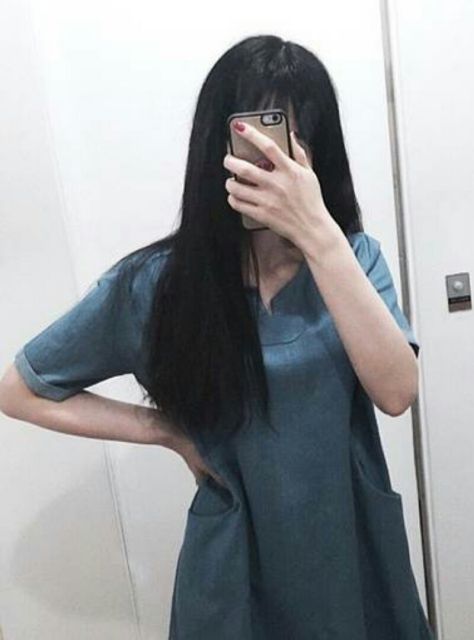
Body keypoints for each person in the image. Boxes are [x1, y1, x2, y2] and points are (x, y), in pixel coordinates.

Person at [0, 35, 433, 640]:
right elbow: (20, 390)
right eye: (252, 137)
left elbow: (397, 392)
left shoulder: (353, 260)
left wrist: (319, 234)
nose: (271, 160)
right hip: (233, 564)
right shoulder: (156, 284)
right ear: (217, 146)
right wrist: (167, 431)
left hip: (352, 551)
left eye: (291, 136)